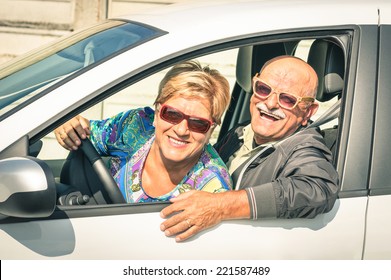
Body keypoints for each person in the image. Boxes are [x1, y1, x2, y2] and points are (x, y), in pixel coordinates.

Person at [160, 55, 340, 242]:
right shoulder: (239, 132)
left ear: (308, 112)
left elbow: (317, 188)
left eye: (287, 99)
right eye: (263, 89)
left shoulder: (304, 147)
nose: (270, 104)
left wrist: (220, 206)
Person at [54, 60, 232, 203]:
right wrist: (66, 124)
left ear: (211, 130)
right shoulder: (136, 125)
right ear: (156, 113)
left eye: (198, 124)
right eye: (171, 114)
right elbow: (84, 131)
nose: (181, 129)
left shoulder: (213, 188)